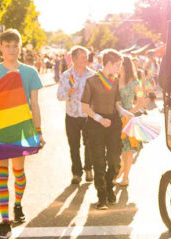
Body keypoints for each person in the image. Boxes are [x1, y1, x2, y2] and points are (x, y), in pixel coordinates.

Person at [0, 29, 44, 239]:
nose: (11, 50)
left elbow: (34, 104)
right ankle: (5, 221)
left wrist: (38, 132)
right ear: (0, 47)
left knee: (18, 172)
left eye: (15, 46)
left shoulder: (30, 72)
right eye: (7, 46)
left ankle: (17, 204)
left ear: (20, 47)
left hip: (20, 128)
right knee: (1, 174)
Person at [81, 49, 133, 210]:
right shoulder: (92, 81)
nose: (119, 69)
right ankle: (102, 196)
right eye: (117, 65)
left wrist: (124, 112)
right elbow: (84, 107)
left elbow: (116, 103)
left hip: (113, 123)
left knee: (115, 162)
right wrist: (99, 119)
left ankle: (109, 185)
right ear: (109, 63)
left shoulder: (115, 81)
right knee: (99, 162)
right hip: (96, 125)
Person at [57, 46, 94, 185]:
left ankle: (89, 169)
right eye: (83, 57)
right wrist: (69, 93)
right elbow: (59, 96)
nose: (86, 59)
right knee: (74, 145)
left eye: (86, 56)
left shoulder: (92, 75)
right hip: (72, 115)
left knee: (89, 143)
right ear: (74, 59)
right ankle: (76, 173)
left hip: (87, 115)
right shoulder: (67, 76)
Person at [114, 56, 147, 187]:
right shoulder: (114, 80)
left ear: (125, 66)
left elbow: (141, 101)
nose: (118, 67)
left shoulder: (135, 83)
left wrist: (130, 112)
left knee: (128, 150)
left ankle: (125, 177)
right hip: (113, 117)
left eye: (120, 64)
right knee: (116, 149)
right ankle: (120, 170)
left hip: (128, 119)